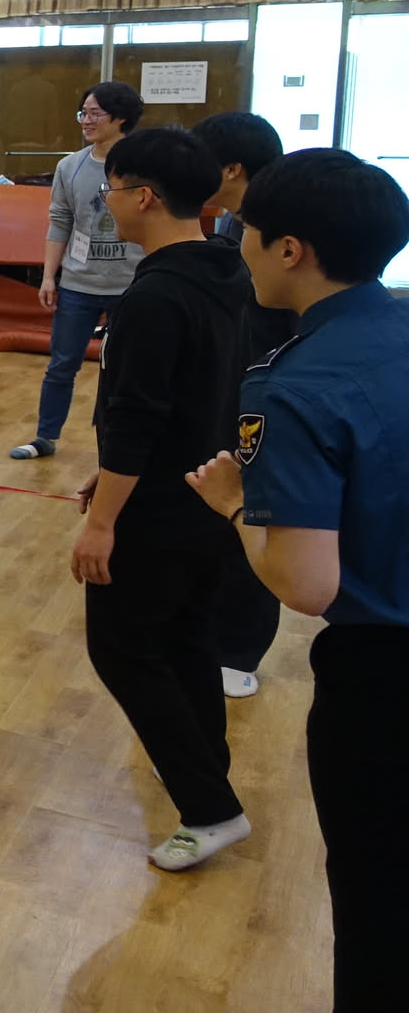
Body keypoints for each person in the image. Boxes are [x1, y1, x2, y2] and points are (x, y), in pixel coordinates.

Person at [183, 149, 409, 1012]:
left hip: (385, 679)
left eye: (245, 230)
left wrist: (235, 505)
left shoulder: (293, 384)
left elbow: (305, 582)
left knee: (380, 903)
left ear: (290, 250)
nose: (235, 244)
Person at [66, 127, 252, 873]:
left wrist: (102, 520)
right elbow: (184, 400)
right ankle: (208, 771)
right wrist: (110, 471)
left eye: (112, 189)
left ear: (144, 197)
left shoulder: (156, 295)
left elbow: (139, 416)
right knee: (186, 639)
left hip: (160, 510)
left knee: (121, 647)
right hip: (208, 492)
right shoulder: (228, 270)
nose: (106, 202)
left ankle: (210, 807)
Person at [192, 111, 296, 699]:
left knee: (256, 513)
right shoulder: (232, 223)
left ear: (231, 168)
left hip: (273, 390)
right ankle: (215, 632)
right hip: (232, 387)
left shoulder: (278, 225)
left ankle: (240, 649)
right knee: (219, 505)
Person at [11, 81, 144, 460]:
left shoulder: (144, 165)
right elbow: (60, 222)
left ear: (120, 119)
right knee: (61, 364)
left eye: (95, 113)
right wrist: (49, 276)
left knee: (127, 369)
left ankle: (120, 445)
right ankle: (45, 437)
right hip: (78, 284)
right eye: (83, 112)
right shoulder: (70, 166)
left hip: (132, 285)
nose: (86, 120)